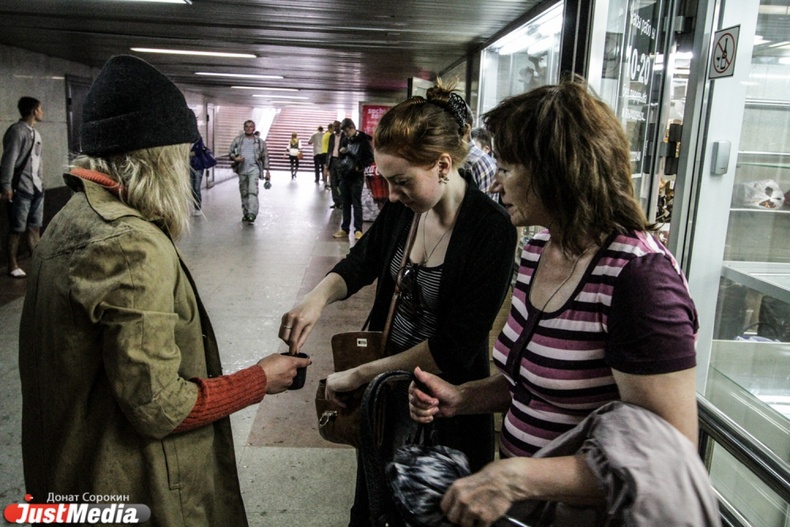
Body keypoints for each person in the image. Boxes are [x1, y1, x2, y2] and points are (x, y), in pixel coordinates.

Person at [18, 55, 310, 527]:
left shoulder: (70, 218)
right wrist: (260, 379)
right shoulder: (130, 244)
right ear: (157, 158)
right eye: (181, 154)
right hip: (130, 485)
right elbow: (159, 406)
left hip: (70, 472)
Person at [408, 75, 700, 527]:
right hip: (534, 511)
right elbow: (532, 386)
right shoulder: (539, 248)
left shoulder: (640, 281)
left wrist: (519, 479)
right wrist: (463, 398)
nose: (496, 184)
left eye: (507, 169)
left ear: (556, 170)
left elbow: (665, 459)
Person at [280, 83, 517, 526]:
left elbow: (455, 347)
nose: (389, 194)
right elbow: (362, 262)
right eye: (386, 179)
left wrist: (363, 374)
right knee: (373, 507)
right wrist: (316, 298)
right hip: (387, 401)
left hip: (440, 407)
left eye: (402, 180)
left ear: (442, 165)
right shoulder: (406, 209)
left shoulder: (492, 230)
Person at [0, 96, 44, 278]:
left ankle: (38, 263)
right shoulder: (16, 132)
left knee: (35, 227)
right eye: (40, 109)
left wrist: (41, 182)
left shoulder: (35, 133)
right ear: (34, 111)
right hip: (21, 188)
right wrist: (6, 185)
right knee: (17, 229)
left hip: (37, 187)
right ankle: (12, 265)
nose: (42, 112)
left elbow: (38, 161)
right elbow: (8, 160)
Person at [332, 118, 374, 241]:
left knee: (356, 203)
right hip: (345, 174)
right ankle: (345, 229)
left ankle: (358, 230)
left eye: (346, 131)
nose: (345, 134)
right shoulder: (346, 140)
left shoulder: (363, 140)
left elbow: (370, 158)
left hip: (356, 176)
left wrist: (359, 166)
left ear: (352, 128)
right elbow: (342, 156)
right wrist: (343, 152)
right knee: (345, 203)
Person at [229, 120, 271, 223]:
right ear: (244, 128)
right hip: (242, 169)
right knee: (244, 192)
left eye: (251, 126)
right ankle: (246, 213)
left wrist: (267, 171)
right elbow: (230, 152)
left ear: (254, 128)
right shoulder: (238, 140)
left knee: (253, 190)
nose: (248, 128)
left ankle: (252, 213)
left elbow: (265, 156)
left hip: (254, 169)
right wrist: (235, 158)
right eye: (246, 126)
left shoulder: (259, 142)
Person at [189, 135, 207, 216]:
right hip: (189, 167)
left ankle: (198, 208)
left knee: (196, 187)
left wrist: (189, 153)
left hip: (198, 167)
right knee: (192, 188)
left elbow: (199, 151)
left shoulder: (199, 140)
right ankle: (195, 207)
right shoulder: (187, 142)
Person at [326, 120, 343, 209]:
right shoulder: (331, 136)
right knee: (333, 183)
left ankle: (342, 201)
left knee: (341, 183)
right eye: (334, 126)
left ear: (340, 126)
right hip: (332, 160)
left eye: (336, 126)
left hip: (340, 161)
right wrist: (327, 162)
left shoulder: (344, 136)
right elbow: (329, 149)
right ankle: (336, 201)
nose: (335, 128)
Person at [321, 122, 333, 188]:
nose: (333, 130)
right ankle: (329, 183)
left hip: (323, 152)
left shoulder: (325, 135)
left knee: (325, 168)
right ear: (330, 128)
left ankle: (325, 183)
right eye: (333, 128)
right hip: (327, 153)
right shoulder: (330, 135)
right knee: (329, 169)